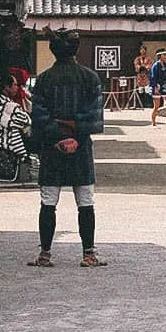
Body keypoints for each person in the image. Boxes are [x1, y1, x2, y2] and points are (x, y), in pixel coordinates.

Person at [28, 29, 107, 268]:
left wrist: (57, 136)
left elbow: (39, 118)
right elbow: (94, 117)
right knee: (85, 201)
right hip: (81, 148)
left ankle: (45, 254)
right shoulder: (90, 78)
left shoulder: (42, 80)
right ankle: (88, 254)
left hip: (52, 149)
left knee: (48, 201)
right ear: (76, 48)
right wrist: (77, 136)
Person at [150, 47, 166, 128]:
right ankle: (153, 123)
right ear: (160, 56)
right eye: (164, 55)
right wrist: (155, 87)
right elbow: (153, 77)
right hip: (157, 87)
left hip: (165, 87)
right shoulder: (155, 65)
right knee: (156, 106)